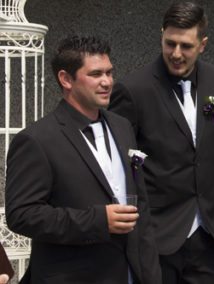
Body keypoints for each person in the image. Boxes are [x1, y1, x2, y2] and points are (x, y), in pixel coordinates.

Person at [5, 35, 161, 284]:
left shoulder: (122, 127)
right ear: (66, 79)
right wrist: (97, 221)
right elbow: (21, 214)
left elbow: (140, 205)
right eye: (96, 74)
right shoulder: (36, 139)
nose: (107, 81)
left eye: (109, 72)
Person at [108, 2, 214, 283]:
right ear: (161, 36)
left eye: (186, 46)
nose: (176, 54)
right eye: (170, 43)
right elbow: (122, 165)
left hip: (210, 236)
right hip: (158, 236)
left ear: (202, 44)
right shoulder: (134, 89)